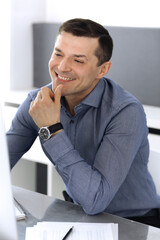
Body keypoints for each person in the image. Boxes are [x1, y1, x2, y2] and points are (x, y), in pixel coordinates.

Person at [7, 18, 160, 227]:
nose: (62, 67)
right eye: (58, 53)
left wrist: (52, 130)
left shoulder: (125, 112)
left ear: (102, 69)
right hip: (77, 212)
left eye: (78, 60)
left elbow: (95, 201)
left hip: (136, 222)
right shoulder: (38, 101)